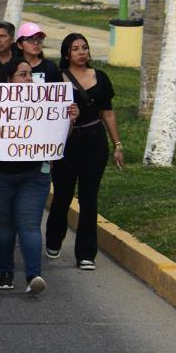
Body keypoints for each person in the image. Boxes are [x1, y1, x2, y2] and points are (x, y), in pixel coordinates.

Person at [0, 58, 77, 293]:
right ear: (9, 79)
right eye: (23, 74)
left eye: (31, 75)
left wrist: (68, 120)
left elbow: (58, 138)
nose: (29, 80)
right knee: (5, 226)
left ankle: (33, 276)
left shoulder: (45, 104)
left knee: (29, 226)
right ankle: (6, 272)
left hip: (34, 175)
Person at [46, 33, 124, 271]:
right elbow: (47, 113)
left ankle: (86, 253)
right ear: (66, 53)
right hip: (66, 142)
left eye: (84, 48)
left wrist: (117, 145)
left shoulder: (100, 77)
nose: (81, 52)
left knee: (89, 198)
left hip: (94, 141)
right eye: (75, 48)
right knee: (63, 194)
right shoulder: (56, 78)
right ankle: (53, 239)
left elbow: (107, 113)